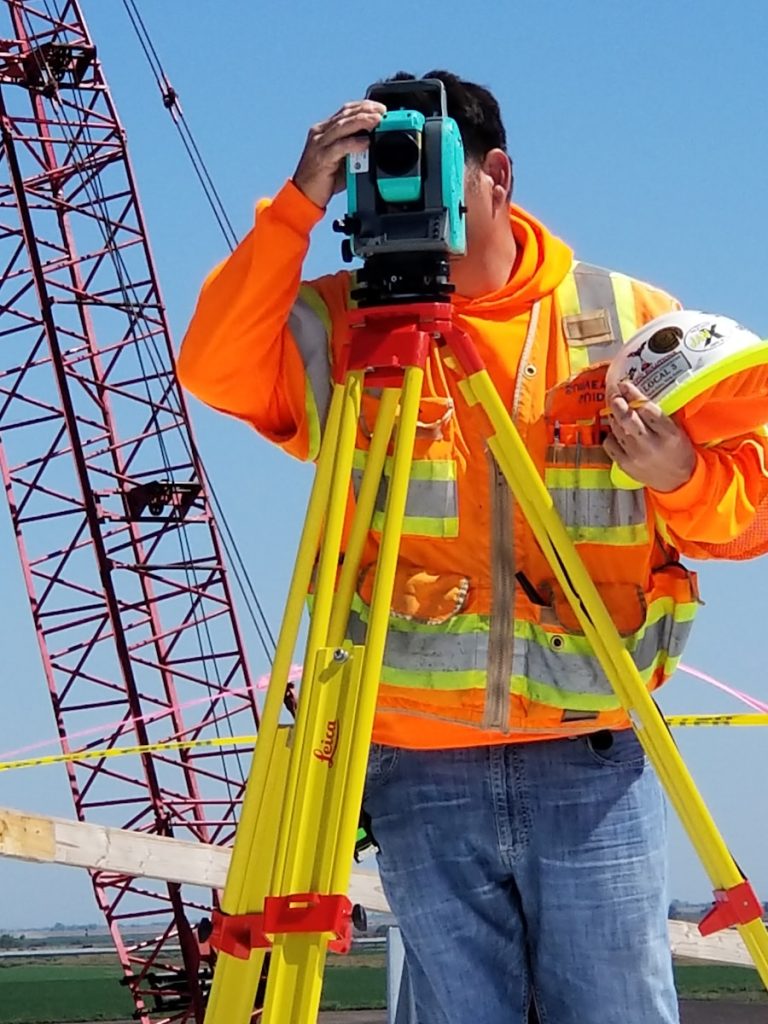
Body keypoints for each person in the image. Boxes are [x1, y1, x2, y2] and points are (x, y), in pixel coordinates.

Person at [177, 71, 768, 1024]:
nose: (401, 189)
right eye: (378, 171)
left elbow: (749, 517)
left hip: (589, 756)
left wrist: (680, 476)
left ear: (496, 173)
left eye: (423, 164)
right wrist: (297, 204)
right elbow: (211, 364)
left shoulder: (627, 322)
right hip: (419, 761)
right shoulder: (341, 326)